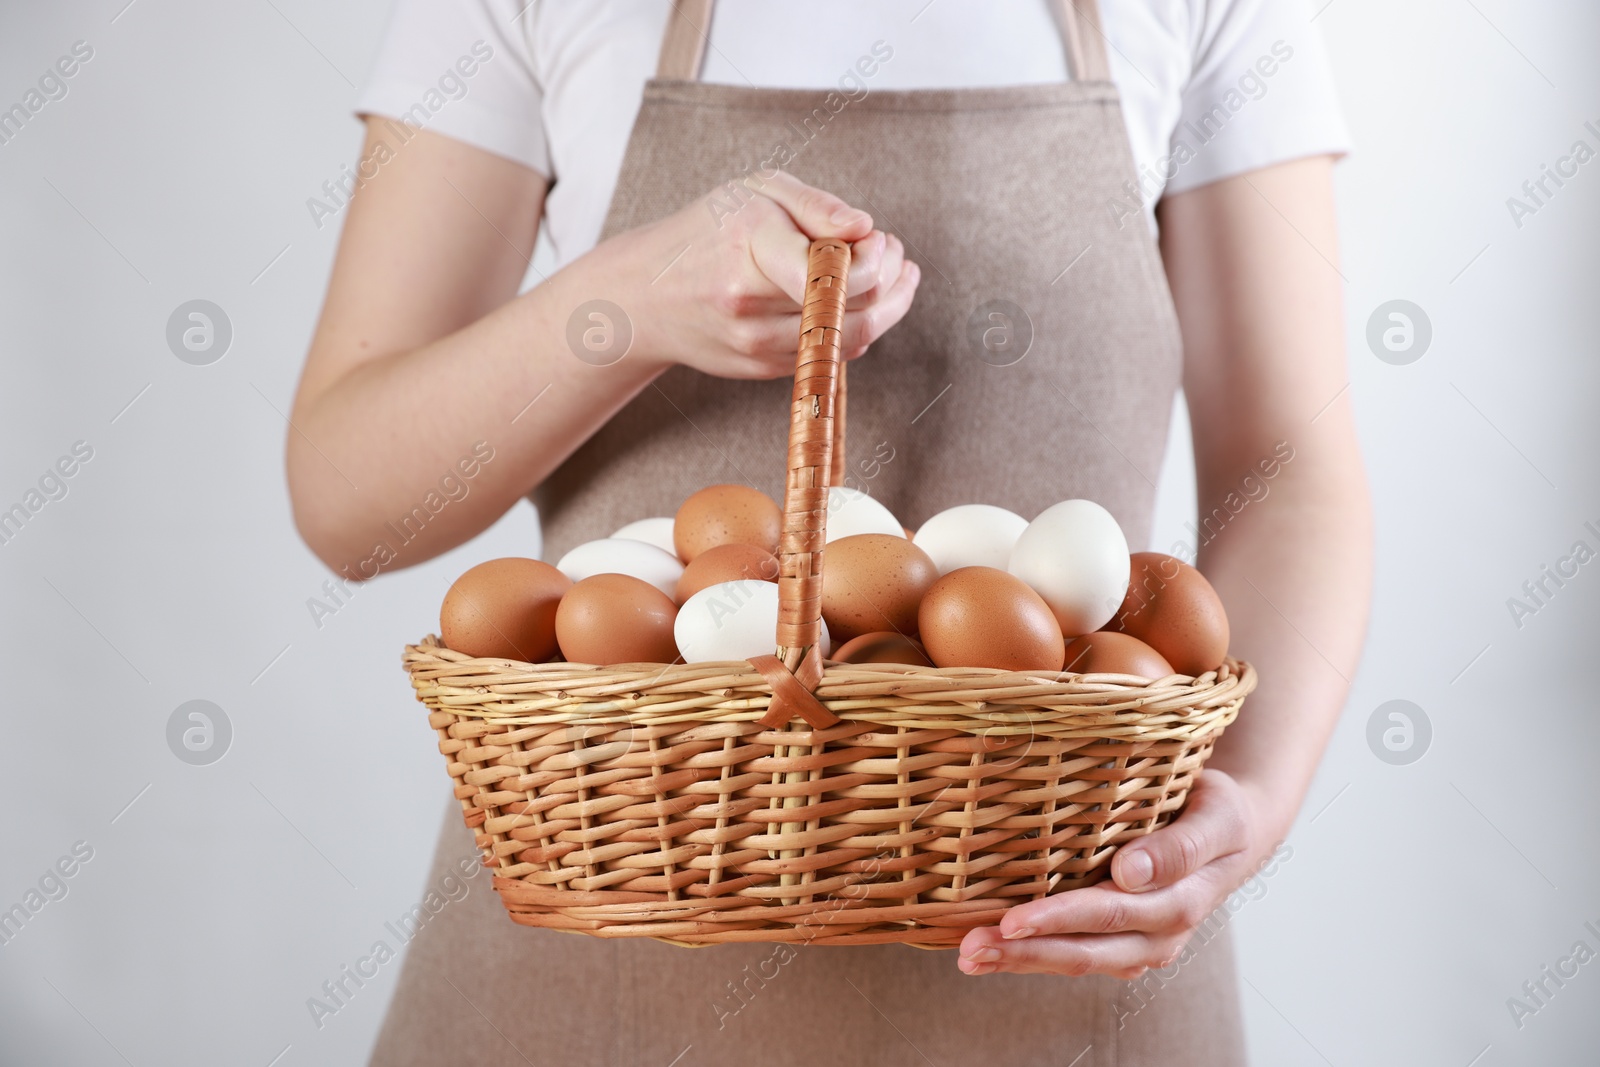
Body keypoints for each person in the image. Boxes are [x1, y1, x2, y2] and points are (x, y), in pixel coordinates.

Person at [287, 1, 1371, 1062]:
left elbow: (1289, 467)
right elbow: (350, 501)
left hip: (1068, 929)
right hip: (600, 947)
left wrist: (1248, 800)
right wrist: (626, 304)